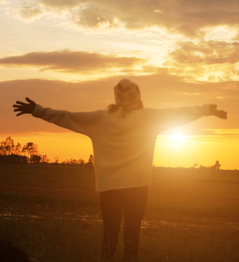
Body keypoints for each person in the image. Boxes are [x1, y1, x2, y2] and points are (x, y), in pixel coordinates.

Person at [12, 79, 227, 261]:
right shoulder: (148, 118)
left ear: (116, 97)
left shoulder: (101, 119)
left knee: (110, 233)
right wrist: (207, 110)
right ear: (138, 96)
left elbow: (67, 117)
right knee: (132, 234)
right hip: (137, 186)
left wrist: (38, 110)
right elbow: (179, 113)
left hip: (109, 187)